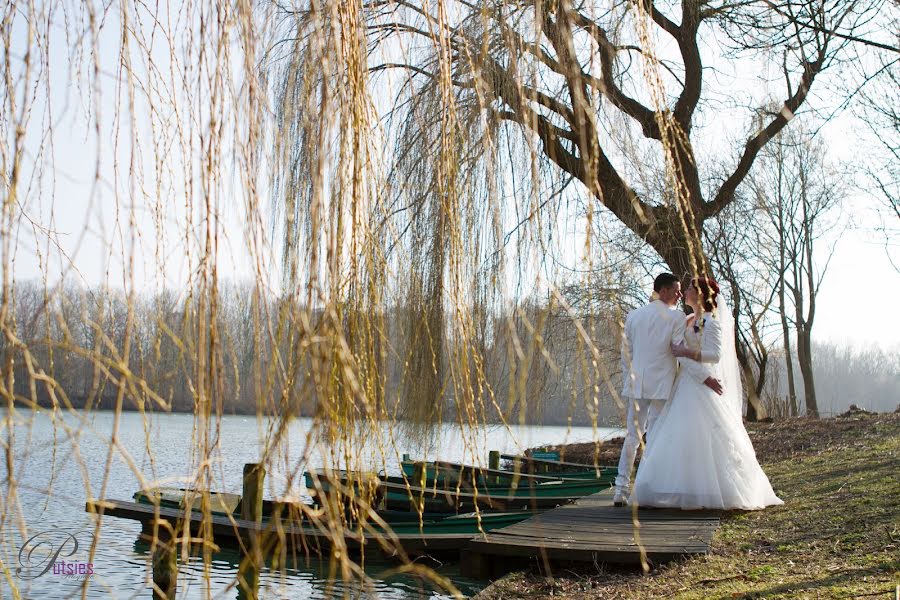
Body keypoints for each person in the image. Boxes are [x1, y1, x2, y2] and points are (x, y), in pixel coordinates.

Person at [631, 276, 783, 510]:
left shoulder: (710, 322)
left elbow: (714, 354)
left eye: (690, 288)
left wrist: (688, 355)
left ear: (702, 295)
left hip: (701, 387)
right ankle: (681, 487)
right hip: (686, 384)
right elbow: (681, 350)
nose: (686, 292)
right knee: (679, 436)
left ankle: (716, 489)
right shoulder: (692, 319)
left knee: (704, 435)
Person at [613, 273, 686, 507]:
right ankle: (648, 488)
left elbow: (626, 354)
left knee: (632, 437)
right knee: (654, 435)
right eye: (676, 290)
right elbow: (677, 348)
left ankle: (621, 488)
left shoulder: (634, 315)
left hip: (637, 383)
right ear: (663, 291)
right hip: (662, 384)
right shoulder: (677, 318)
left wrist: (630, 376)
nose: (679, 294)